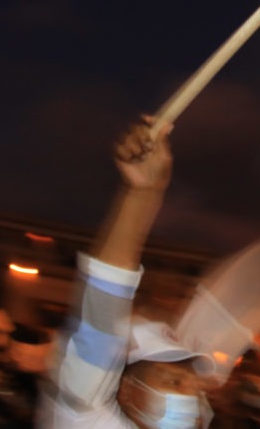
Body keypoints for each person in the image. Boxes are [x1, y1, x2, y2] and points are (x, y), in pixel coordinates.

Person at [37, 117, 217, 428]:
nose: (190, 397)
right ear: (128, 390)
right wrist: (142, 195)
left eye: (193, 387)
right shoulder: (84, 417)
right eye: (174, 383)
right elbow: (100, 323)